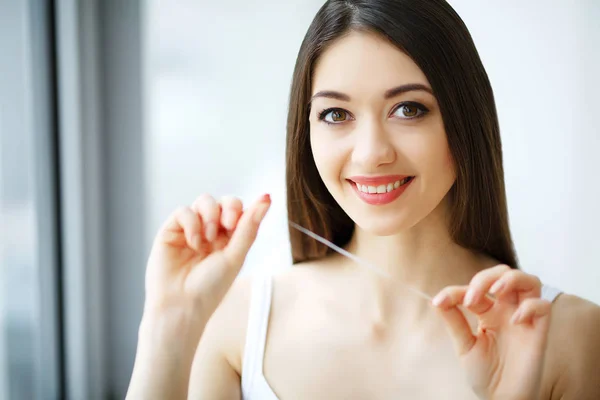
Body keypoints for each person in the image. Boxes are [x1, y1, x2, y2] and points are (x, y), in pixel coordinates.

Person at [126, 0, 600, 398]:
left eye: (408, 109)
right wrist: (169, 327)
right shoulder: (236, 323)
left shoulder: (570, 337)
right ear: (305, 132)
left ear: (464, 121)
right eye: (336, 114)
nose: (372, 152)